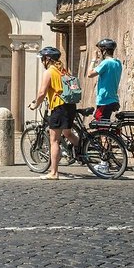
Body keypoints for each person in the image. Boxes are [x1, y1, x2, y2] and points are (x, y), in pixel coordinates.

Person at [28, 46, 80, 180]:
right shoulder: (63, 70)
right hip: (70, 106)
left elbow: (42, 92)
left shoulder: (49, 72)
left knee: (54, 140)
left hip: (58, 107)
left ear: (47, 59)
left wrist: (35, 104)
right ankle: (82, 152)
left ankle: (54, 172)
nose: (42, 62)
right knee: (67, 133)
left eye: (43, 59)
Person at [87, 38, 123, 121]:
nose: (99, 53)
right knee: (105, 126)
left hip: (104, 100)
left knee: (101, 127)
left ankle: (108, 134)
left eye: (100, 51)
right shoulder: (118, 63)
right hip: (113, 99)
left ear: (104, 51)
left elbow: (89, 74)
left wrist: (93, 59)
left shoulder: (106, 63)